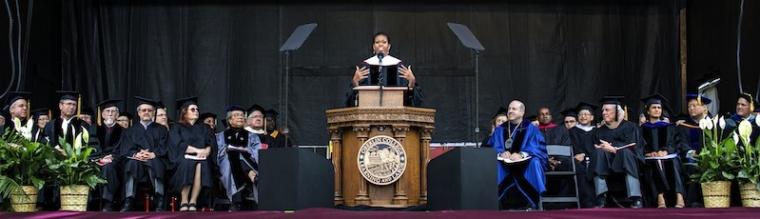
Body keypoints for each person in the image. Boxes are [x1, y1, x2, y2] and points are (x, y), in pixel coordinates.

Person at [486, 100, 547, 210]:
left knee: (535, 162)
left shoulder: (531, 128)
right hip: (504, 162)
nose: (510, 111)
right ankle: (498, 203)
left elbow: (537, 147)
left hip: (526, 162)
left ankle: (532, 203)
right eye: (509, 109)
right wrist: (501, 152)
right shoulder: (500, 129)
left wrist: (522, 154)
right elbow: (492, 146)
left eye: (514, 109)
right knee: (495, 164)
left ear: (522, 112)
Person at [591, 96, 644, 208]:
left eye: (607, 110)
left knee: (626, 154)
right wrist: (602, 148)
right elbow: (596, 146)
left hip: (626, 161)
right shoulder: (599, 131)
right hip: (606, 162)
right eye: (603, 110)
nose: (604, 113)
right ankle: (601, 197)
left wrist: (614, 149)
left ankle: (635, 197)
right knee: (598, 154)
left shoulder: (631, 127)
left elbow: (634, 147)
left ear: (617, 112)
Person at [118, 96, 169, 212]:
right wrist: (136, 154)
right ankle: (128, 200)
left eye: (149, 110)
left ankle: (159, 199)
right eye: (143, 110)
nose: (146, 112)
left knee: (156, 163)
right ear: (138, 112)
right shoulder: (130, 130)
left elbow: (164, 147)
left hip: (155, 158)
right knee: (131, 163)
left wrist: (153, 154)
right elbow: (126, 148)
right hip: (137, 160)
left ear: (153, 113)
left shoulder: (161, 129)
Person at [346, 32, 423, 107]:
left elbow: (410, 98)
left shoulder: (399, 66)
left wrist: (411, 82)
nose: (380, 44)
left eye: (384, 42)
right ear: (373, 46)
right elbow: (355, 98)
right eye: (377, 42)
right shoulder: (365, 67)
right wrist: (355, 83)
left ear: (389, 46)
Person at [168, 97, 217, 212]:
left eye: (197, 109)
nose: (196, 111)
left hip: (202, 158)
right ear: (184, 112)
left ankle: (193, 200)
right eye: (193, 109)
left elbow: (211, 143)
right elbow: (177, 144)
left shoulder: (204, 127)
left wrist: (208, 150)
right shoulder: (176, 127)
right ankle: (184, 200)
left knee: (202, 164)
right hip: (182, 159)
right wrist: (198, 151)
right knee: (187, 163)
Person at [639, 94, 685, 208]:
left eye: (659, 108)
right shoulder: (642, 128)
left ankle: (679, 196)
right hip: (650, 158)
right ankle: (660, 197)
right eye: (654, 107)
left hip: (668, 156)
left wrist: (666, 151)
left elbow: (674, 143)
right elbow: (639, 145)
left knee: (673, 162)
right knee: (654, 163)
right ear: (648, 111)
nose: (657, 110)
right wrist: (648, 152)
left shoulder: (669, 126)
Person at [216, 105, 262, 211]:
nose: (240, 117)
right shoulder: (220, 136)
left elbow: (258, 153)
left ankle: (236, 200)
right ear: (229, 120)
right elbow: (218, 153)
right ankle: (252, 176)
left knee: (239, 156)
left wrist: (245, 151)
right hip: (227, 163)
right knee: (232, 158)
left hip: (249, 162)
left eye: (242, 115)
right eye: (236, 115)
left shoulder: (252, 136)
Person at [674, 93, 712, 208]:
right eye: (689, 106)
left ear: (704, 108)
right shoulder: (684, 125)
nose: (691, 109)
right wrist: (691, 152)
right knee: (692, 165)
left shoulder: (712, 124)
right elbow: (682, 143)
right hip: (691, 157)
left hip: (709, 157)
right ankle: (693, 201)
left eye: (694, 105)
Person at [92, 99, 125, 211]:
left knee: (109, 167)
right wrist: (100, 158)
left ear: (118, 114)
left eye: (113, 111)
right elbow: (90, 147)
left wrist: (112, 158)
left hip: (115, 162)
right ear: (102, 114)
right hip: (95, 160)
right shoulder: (93, 129)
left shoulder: (124, 131)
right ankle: (93, 202)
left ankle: (108, 202)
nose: (110, 113)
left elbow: (124, 150)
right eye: (107, 111)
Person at [568, 102, 599, 208]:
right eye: (581, 114)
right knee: (580, 170)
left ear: (592, 117)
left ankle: (598, 200)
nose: (583, 116)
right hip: (578, 159)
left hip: (594, 159)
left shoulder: (597, 131)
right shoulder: (572, 131)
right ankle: (586, 202)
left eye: (586, 114)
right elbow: (572, 147)